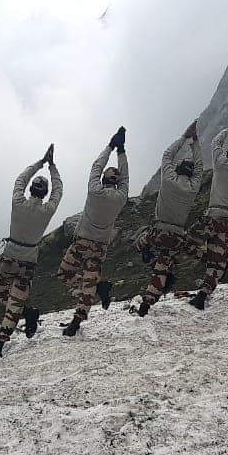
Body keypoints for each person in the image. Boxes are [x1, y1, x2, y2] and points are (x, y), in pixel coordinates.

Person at [0, 145, 62, 359]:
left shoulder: (18, 202)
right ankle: (1, 341)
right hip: (29, 261)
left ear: (30, 188)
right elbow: (59, 190)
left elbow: (20, 179)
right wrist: (53, 167)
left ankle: (23, 316)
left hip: (10, 256)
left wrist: (40, 163)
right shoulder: (48, 210)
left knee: (0, 293)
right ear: (45, 193)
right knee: (16, 300)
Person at [56, 127, 128, 336]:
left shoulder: (94, 190)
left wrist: (111, 146)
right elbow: (125, 178)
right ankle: (82, 312)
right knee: (89, 283)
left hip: (80, 243)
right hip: (99, 247)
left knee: (64, 274)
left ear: (104, 178)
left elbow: (96, 166)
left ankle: (89, 298)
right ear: (117, 181)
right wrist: (122, 151)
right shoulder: (120, 197)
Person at [133, 121, 203, 316]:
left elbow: (167, 155)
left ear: (178, 169)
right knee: (163, 266)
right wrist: (196, 143)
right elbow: (200, 167)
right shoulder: (193, 186)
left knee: (138, 241)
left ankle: (146, 252)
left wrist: (184, 137)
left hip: (157, 232)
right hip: (177, 237)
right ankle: (148, 301)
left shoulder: (168, 180)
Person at [187, 112, 228, 309]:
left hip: (212, 216)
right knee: (217, 259)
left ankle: (208, 258)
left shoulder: (221, 165)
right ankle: (203, 294)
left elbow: (216, 143)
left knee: (185, 242)